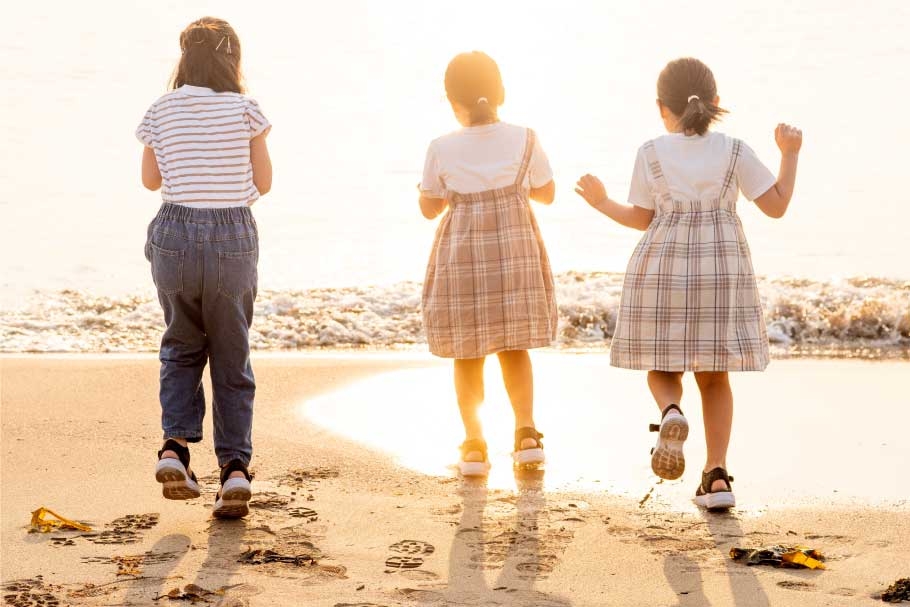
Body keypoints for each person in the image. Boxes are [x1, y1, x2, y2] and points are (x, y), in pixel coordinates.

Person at [575, 57, 802, 510]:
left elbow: (642, 218)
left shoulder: (651, 151)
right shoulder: (734, 149)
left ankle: (670, 411)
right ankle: (716, 477)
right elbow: (775, 207)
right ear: (715, 103)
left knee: (662, 365)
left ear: (662, 108)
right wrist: (789, 154)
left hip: (662, 270)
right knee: (715, 379)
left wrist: (601, 203)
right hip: (721, 271)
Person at [136, 16, 272, 518]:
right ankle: (235, 468)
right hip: (232, 235)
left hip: (173, 233)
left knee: (181, 346)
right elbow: (265, 180)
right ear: (232, 59)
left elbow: (152, 180)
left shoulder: (161, 109)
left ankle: (174, 450)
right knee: (232, 356)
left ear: (183, 59)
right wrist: (235, 198)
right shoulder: (246, 109)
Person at [419, 51, 558, 477]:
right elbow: (547, 193)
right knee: (513, 346)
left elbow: (429, 208)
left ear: (450, 99)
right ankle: (527, 435)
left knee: (468, 352)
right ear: (500, 93)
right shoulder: (526, 138)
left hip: (463, 257)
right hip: (514, 253)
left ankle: (475, 447)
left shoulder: (442, 147)